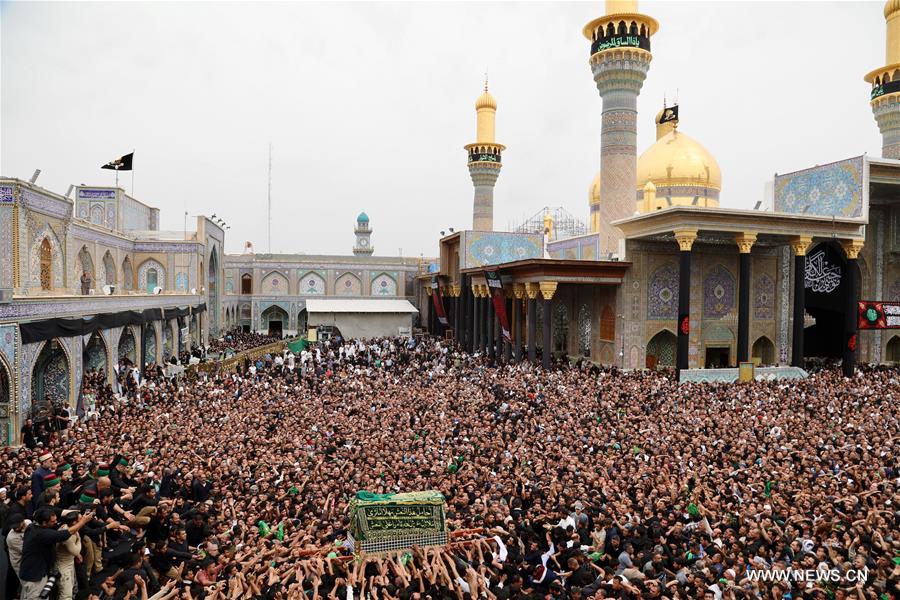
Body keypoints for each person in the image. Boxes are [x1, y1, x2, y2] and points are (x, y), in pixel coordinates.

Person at [18, 507, 92, 599]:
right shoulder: (42, 534)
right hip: (34, 577)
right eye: (53, 521)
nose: (56, 522)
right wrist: (83, 522)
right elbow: (68, 533)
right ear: (44, 523)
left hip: (27, 571)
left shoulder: (31, 527)